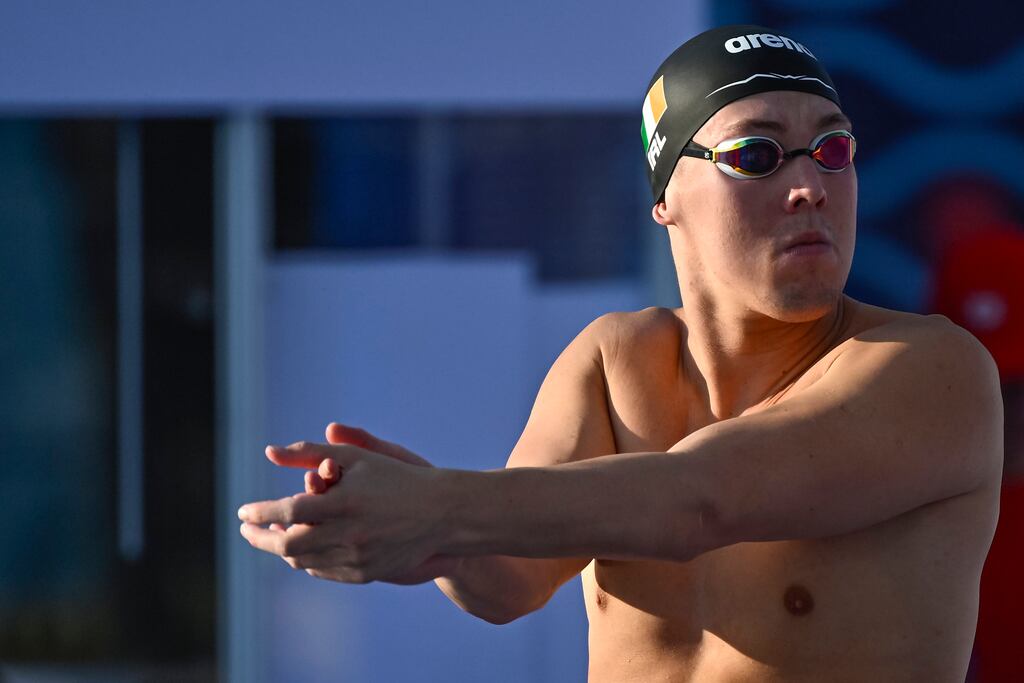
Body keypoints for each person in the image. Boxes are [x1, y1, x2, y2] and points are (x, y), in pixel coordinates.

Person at [239, 24, 1003, 680]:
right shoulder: (615, 362)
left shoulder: (931, 367)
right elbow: (506, 581)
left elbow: (700, 499)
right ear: (667, 197)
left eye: (832, 148)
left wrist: (442, 509)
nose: (809, 184)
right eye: (758, 155)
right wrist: (426, 540)